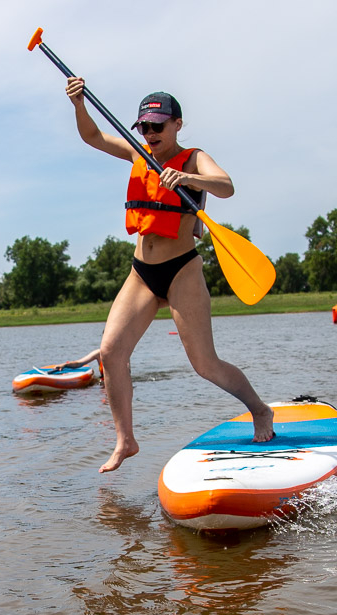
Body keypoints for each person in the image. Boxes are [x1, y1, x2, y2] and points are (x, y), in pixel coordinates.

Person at [64, 79, 274, 472]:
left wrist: (190, 179)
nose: (149, 134)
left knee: (205, 365)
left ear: (177, 124)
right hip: (142, 272)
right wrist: (79, 104)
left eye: (157, 126)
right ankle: (126, 440)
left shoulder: (194, 158)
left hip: (181, 271)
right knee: (110, 353)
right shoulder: (136, 152)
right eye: (144, 126)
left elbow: (226, 186)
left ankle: (260, 410)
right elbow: (92, 135)